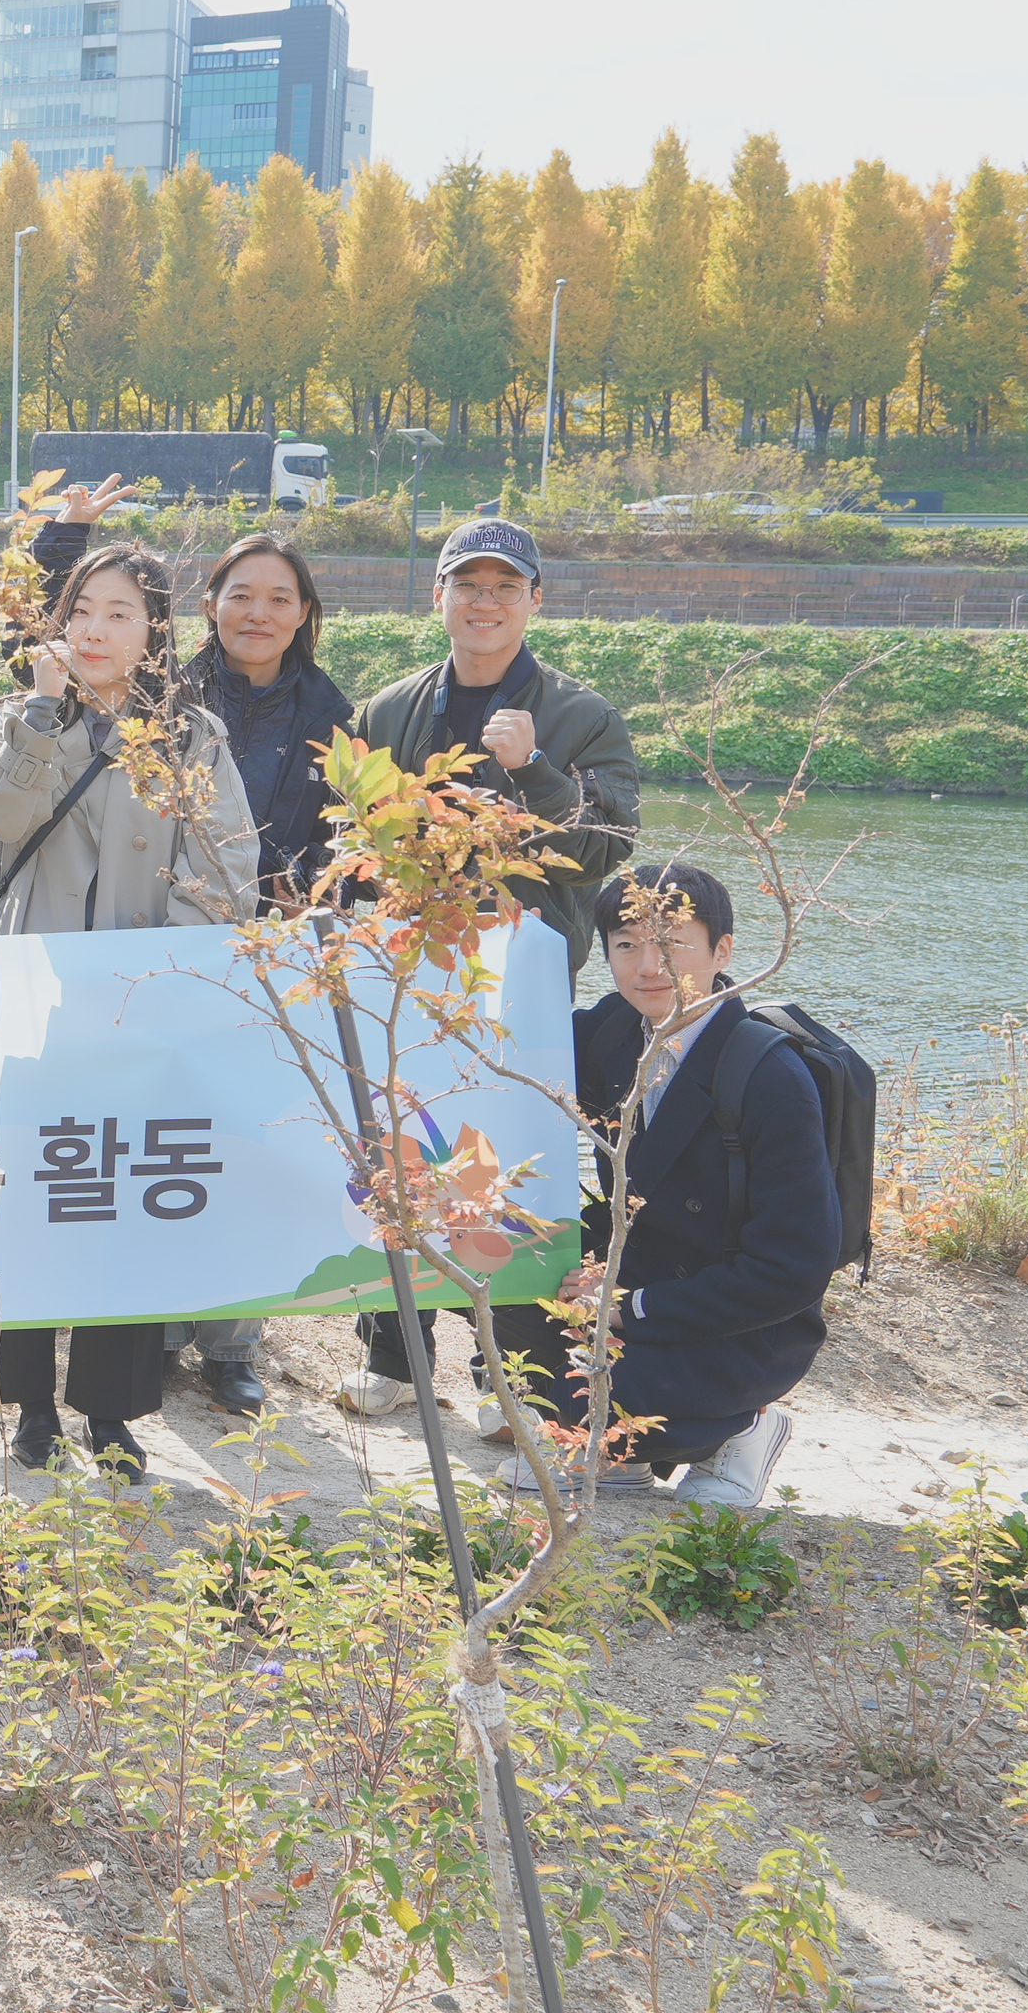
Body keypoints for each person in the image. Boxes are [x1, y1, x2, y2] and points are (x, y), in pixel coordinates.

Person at [28, 489, 357, 1416]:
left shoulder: (334, 711)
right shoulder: (171, 688)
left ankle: (233, 1343)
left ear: (305, 613)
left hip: (264, 947)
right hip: (157, 949)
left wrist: (305, 895)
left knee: (236, 1150)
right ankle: (156, 1334)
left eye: (280, 598)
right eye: (240, 594)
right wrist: (66, 540)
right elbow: (69, 632)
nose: (258, 613)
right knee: (147, 1148)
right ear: (207, 605)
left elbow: (343, 830)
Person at [0, 542, 262, 1483]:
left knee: (120, 1204)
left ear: (155, 631)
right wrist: (45, 713)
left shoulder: (192, 739)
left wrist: (146, 978)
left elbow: (226, 875)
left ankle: (112, 1412)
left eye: (120, 613)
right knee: (28, 1199)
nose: (94, 629)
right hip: (34, 1007)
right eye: (81, 609)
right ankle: (30, 1405)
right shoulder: (22, 716)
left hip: (139, 1012)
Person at [340, 516, 643, 1416]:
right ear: (438, 596)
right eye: (467, 585)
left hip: (523, 986)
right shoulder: (389, 712)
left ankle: (506, 1375)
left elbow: (608, 848)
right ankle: (395, 1361)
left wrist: (537, 769)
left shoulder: (582, 715)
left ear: (534, 601)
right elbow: (354, 843)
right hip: (407, 971)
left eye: (505, 587)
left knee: (512, 1161)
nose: (485, 602)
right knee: (398, 1147)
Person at [489, 863, 835, 1509]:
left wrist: (633, 1306)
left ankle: (744, 1429)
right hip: (636, 1273)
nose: (648, 967)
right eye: (626, 945)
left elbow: (794, 1269)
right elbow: (511, 1050)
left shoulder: (769, 1077)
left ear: (722, 951)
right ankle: (615, 1456)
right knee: (499, 1271)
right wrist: (509, 956)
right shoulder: (617, 1031)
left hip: (735, 1319)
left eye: (672, 943)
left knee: (586, 1392)